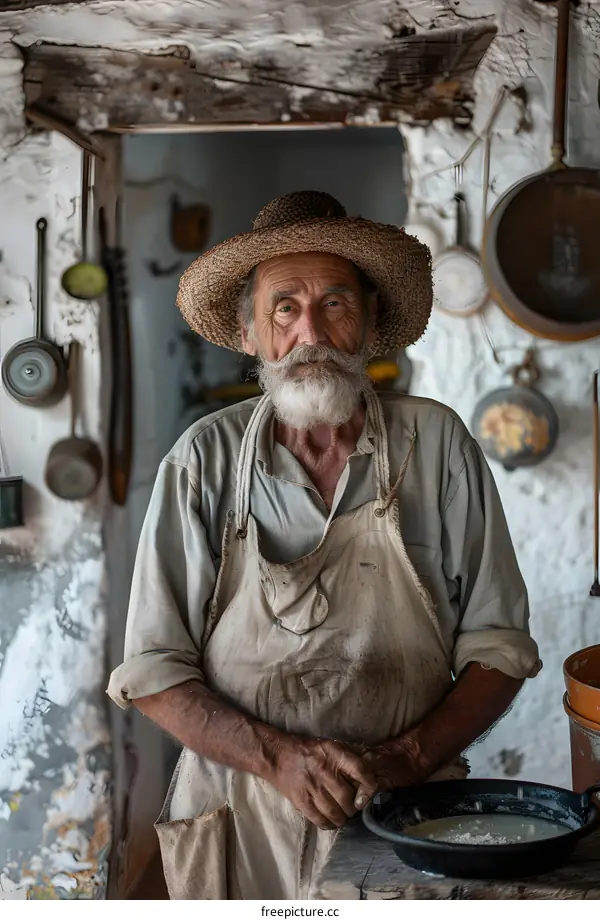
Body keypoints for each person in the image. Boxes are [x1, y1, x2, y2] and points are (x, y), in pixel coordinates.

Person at [108, 191, 541, 900]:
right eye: (285, 307)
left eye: (335, 303)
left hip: (408, 811)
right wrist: (279, 759)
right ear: (251, 332)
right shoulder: (203, 461)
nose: (309, 332)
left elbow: (499, 647)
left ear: (370, 325)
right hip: (243, 814)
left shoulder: (436, 447)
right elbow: (153, 671)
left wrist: (406, 758)